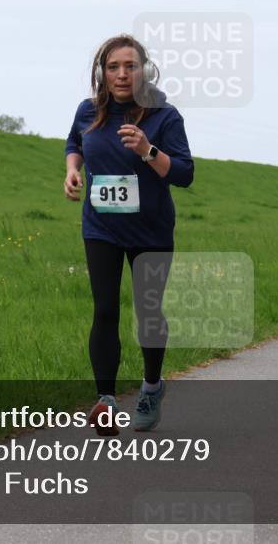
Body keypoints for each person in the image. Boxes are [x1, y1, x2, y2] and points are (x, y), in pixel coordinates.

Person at [64, 34, 194, 435]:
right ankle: (105, 401)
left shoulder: (164, 116)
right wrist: (72, 170)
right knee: (105, 309)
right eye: (113, 67)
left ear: (144, 71)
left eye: (130, 66)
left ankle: (152, 387)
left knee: (148, 313)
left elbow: (185, 173)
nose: (122, 74)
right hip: (101, 226)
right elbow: (74, 142)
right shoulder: (88, 111)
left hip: (151, 230)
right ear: (102, 72)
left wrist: (148, 150)